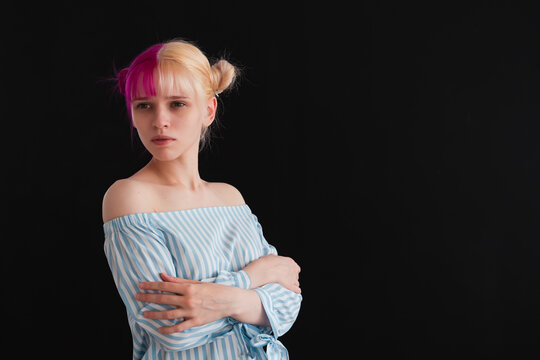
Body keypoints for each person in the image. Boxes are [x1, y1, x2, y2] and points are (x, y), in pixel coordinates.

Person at [102, 39, 302, 360]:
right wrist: (255, 279)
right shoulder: (129, 197)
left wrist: (219, 300)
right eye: (144, 105)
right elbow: (175, 328)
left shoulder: (229, 196)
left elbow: (289, 301)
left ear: (208, 110)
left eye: (177, 104)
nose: (159, 120)